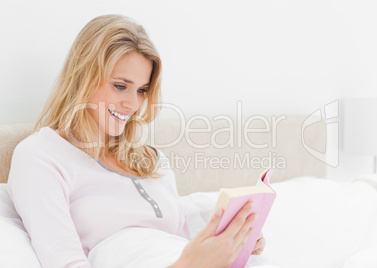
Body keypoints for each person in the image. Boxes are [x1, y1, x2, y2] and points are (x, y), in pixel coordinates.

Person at [7, 14, 265, 268]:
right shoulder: (41, 156)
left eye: (142, 90)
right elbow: (63, 261)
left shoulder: (152, 161)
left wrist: (231, 243)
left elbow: (181, 240)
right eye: (120, 86)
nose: (133, 104)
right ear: (82, 77)